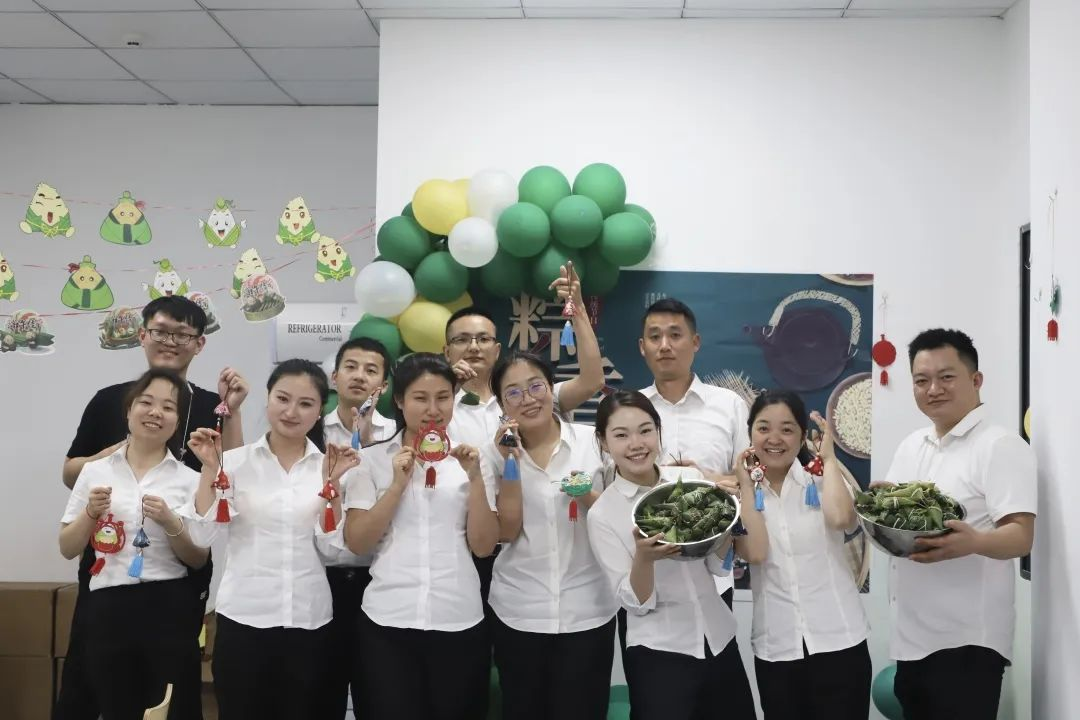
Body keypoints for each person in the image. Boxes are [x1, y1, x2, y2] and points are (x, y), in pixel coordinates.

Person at [57, 296, 248, 720]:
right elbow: (70, 471)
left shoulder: (210, 405)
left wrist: (232, 413)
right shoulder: (109, 400)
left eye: (183, 335)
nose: (170, 342)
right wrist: (118, 455)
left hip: (178, 577)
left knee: (171, 686)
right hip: (106, 568)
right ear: (142, 335)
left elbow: (232, 478)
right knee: (91, 681)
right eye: (161, 331)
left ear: (199, 344)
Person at [186, 359, 358, 720]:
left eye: (306, 403)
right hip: (244, 620)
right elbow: (201, 535)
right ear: (267, 399)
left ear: (319, 412)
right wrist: (209, 470)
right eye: (283, 398)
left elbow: (332, 550)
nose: (291, 412)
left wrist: (333, 486)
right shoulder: (233, 463)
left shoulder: (329, 466)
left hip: (309, 621)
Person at [883, 329, 1036, 720]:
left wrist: (974, 543)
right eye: (921, 380)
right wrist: (882, 507)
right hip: (911, 640)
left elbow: (1021, 536)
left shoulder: (999, 445)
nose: (933, 389)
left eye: (946, 377)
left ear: (976, 379)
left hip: (967, 644)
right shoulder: (912, 445)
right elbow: (898, 524)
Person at [587, 390, 764, 720]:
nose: (636, 444)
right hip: (658, 654)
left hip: (719, 638)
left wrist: (726, 518)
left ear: (658, 431)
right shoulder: (603, 514)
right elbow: (635, 604)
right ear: (603, 442)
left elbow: (717, 565)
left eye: (645, 430)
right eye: (621, 435)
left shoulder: (692, 482)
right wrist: (644, 559)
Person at [343, 353, 499, 720]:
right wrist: (397, 485)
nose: (433, 409)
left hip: (458, 618)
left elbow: (483, 546)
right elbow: (358, 542)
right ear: (399, 400)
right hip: (387, 621)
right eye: (420, 398)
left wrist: (476, 479)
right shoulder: (372, 460)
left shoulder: (473, 461)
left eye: (443, 397)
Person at [58, 369, 209, 720]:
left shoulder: (190, 479)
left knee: (170, 708)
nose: (156, 412)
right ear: (128, 411)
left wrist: (171, 523)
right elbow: (67, 547)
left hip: (168, 607)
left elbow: (198, 559)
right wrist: (90, 515)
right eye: (146, 402)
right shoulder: (95, 472)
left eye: (168, 407)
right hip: (107, 607)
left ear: (177, 422)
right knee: (116, 706)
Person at [483, 350, 617, 720]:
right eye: (513, 392)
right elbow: (505, 532)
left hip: (588, 609)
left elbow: (619, 521)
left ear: (551, 388)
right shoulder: (492, 455)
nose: (527, 399)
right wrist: (510, 462)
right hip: (519, 611)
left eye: (536, 386)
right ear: (501, 405)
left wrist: (586, 495)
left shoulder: (593, 442)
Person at [740, 390, 871, 720]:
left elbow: (842, 519)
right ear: (750, 433)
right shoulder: (742, 497)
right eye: (763, 428)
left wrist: (829, 459)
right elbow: (755, 553)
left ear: (801, 437)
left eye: (787, 429)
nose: (774, 439)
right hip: (776, 648)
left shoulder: (823, 480)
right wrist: (744, 486)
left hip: (839, 641)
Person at [638, 297, 750, 607]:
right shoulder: (630, 410)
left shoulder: (729, 405)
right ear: (642, 347)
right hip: (645, 574)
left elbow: (753, 481)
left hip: (713, 574)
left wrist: (707, 480)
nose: (664, 345)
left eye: (675, 335)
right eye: (655, 336)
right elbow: (613, 483)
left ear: (695, 342)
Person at [318, 336, 396, 720]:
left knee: (378, 694)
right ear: (334, 377)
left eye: (371, 370)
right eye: (350, 367)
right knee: (322, 692)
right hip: (321, 579)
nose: (359, 376)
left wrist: (366, 445)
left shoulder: (397, 434)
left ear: (384, 385)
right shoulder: (310, 430)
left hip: (378, 580)